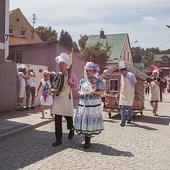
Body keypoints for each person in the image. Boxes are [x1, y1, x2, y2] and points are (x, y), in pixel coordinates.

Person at [74, 62, 105, 149]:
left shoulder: (98, 80)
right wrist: (82, 93)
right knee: (84, 119)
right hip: (84, 102)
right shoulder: (82, 80)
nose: (87, 72)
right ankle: (86, 138)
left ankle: (87, 140)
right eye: (86, 70)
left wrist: (94, 92)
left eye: (89, 71)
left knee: (89, 119)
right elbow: (79, 90)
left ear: (94, 71)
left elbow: (102, 92)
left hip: (93, 103)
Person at [51, 53, 78, 147]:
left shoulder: (71, 75)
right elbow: (53, 85)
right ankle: (58, 139)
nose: (62, 65)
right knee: (57, 119)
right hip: (58, 98)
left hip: (67, 98)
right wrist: (52, 90)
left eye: (63, 63)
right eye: (60, 63)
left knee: (68, 116)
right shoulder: (57, 75)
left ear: (67, 65)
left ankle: (71, 128)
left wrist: (72, 82)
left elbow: (76, 87)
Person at [118, 61, 137, 127]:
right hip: (123, 92)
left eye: (120, 70)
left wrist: (135, 91)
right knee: (122, 106)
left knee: (129, 106)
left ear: (124, 70)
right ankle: (123, 121)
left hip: (129, 92)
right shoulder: (121, 76)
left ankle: (129, 118)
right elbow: (121, 84)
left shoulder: (131, 75)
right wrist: (119, 92)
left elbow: (135, 83)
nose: (120, 72)